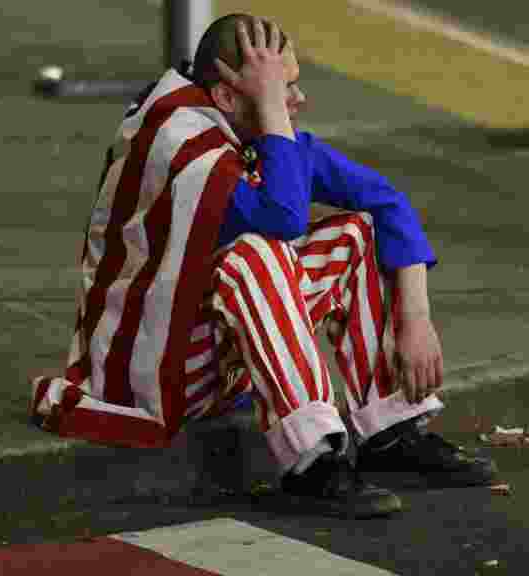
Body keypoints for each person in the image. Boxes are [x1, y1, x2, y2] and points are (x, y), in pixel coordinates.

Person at [29, 13, 496, 518]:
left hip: (211, 356)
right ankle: (312, 462)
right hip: (148, 369)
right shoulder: (182, 146)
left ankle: (390, 432)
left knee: (356, 231)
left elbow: (387, 202)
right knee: (257, 254)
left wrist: (416, 319)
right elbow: (284, 219)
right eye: (282, 88)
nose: (297, 101)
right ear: (228, 98)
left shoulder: (248, 128)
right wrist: (274, 114)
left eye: (292, 86)